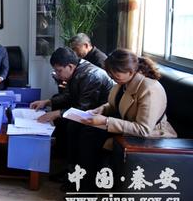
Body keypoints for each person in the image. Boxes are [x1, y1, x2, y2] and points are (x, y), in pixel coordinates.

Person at [30, 47, 114, 191]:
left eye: (59, 71)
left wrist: (56, 113)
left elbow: (84, 108)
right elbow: (68, 95)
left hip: (103, 118)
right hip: (90, 114)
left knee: (74, 128)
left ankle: (79, 178)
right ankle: (71, 169)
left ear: (70, 66)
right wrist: (47, 102)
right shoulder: (76, 71)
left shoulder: (91, 76)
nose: (57, 74)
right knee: (64, 124)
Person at [82, 49, 177, 139]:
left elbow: (143, 129)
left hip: (152, 135)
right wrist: (102, 109)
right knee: (85, 129)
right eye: (109, 73)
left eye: (115, 74)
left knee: (91, 135)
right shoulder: (123, 81)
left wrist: (106, 121)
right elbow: (118, 104)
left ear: (130, 72)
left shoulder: (149, 89)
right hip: (127, 126)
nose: (111, 77)